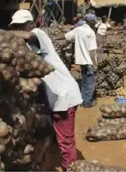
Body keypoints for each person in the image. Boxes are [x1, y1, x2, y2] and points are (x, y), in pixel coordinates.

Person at [8, 10, 83, 170]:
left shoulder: (38, 34)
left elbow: (29, 36)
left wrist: (3, 32)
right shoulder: (26, 50)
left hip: (64, 96)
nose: (19, 29)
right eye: (16, 26)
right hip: (55, 98)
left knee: (66, 141)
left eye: (21, 26)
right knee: (55, 137)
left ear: (30, 24)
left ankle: (71, 167)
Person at [65, 14, 98, 108]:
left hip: (81, 61)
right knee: (90, 83)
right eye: (94, 21)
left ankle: (82, 100)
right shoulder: (91, 33)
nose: (95, 23)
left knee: (84, 81)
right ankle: (87, 103)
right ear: (91, 22)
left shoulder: (78, 30)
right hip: (89, 61)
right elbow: (92, 51)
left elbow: (67, 37)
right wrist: (95, 64)